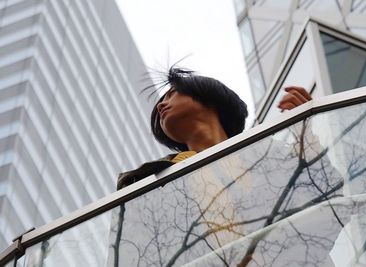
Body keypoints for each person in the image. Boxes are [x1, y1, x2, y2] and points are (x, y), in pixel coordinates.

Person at [117, 68, 311, 189]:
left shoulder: (267, 154)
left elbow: (325, 202)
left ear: (208, 96)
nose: (161, 106)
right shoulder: (146, 179)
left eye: (172, 94)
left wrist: (308, 132)